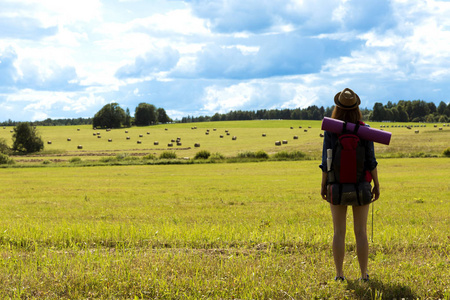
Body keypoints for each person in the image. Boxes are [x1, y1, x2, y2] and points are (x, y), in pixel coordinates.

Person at [320, 88, 380, 282]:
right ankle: (364, 275)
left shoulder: (331, 130)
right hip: (362, 186)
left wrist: (324, 185)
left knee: (339, 232)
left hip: (336, 186)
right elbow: (371, 161)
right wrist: (376, 184)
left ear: (337, 108)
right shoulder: (365, 129)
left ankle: (339, 275)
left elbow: (326, 161)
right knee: (361, 232)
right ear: (357, 108)